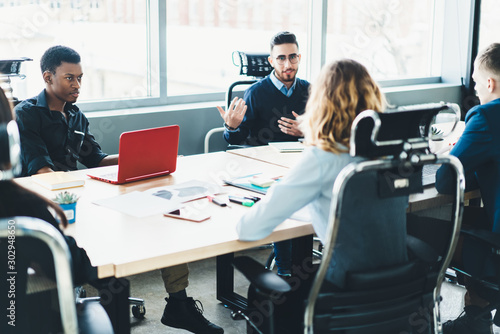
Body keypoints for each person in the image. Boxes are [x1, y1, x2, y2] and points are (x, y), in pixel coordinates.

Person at [14, 45, 223, 334]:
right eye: (69, 78)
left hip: (85, 197)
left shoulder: (75, 116)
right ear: (48, 77)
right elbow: (43, 173)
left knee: (161, 217)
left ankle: (179, 303)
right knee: (112, 260)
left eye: (80, 78)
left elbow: (95, 160)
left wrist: (139, 155)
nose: (77, 85)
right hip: (53, 207)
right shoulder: (26, 115)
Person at [236, 59, 409, 333]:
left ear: (320, 102)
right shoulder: (395, 151)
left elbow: (250, 228)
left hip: (346, 294)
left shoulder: (322, 158)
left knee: (262, 298)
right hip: (400, 291)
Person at [0, 86, 97, 333]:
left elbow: (95, 157)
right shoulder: (19, 206)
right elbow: (75, 268)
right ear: (9, 143)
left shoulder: (76, 115)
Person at [217, 31, 311, 277]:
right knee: (282, 198)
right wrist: (232, 127)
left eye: (292, 57)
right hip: (267, 169)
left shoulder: (310, 90)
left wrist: (308, 129)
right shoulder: (257, 92)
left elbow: (326, 133)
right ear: (271, 61)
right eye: (281, 58)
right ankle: (285, 274)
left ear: (299, 57)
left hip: (303, 163)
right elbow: (236, 140)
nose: (287, 64)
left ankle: (304, 271)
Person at [435, 42, 500, 334]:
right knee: (473, 221)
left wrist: (454, 153)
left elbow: (445, 181)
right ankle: (477, 319)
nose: (475, 90)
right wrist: (472, 152)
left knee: (420, 228)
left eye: (475, 83)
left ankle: (421, 321)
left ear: (490, 82)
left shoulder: (485, 117)